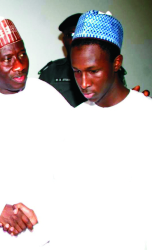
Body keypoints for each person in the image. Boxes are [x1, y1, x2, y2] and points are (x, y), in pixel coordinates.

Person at [0, 16, 72, 249]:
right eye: (8, 59)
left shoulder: (46, 95)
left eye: (22, 55)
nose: (19, 65)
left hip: (41, 231)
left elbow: (76, 145)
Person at [51, 10, 152, 249]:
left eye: (93, 71)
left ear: (116, 63)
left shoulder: (145, 117)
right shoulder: (74, 121)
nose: (83, 83)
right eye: (76, 71)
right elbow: (63, 198)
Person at [38, 13, 87, 107]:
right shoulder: (51, 71)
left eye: (80, 33)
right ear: (64, 40)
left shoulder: (106, 69)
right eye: (71, 34)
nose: (76, 38)